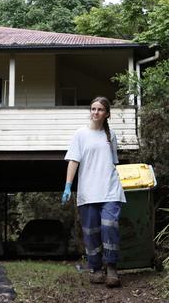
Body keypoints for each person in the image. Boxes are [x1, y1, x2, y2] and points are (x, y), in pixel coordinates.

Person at [61, 96, 126, 288]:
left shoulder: (110, 135)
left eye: (99, 109)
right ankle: (96, 268)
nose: (95, 112)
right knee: (91, 232)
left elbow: (113, 162)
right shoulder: (80, 134)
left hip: (110, 190)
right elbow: (74, 160)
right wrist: (67, 185)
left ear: (106, 114)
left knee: (109, 226)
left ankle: (112, 267)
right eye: (93, 109)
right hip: (88, 192)